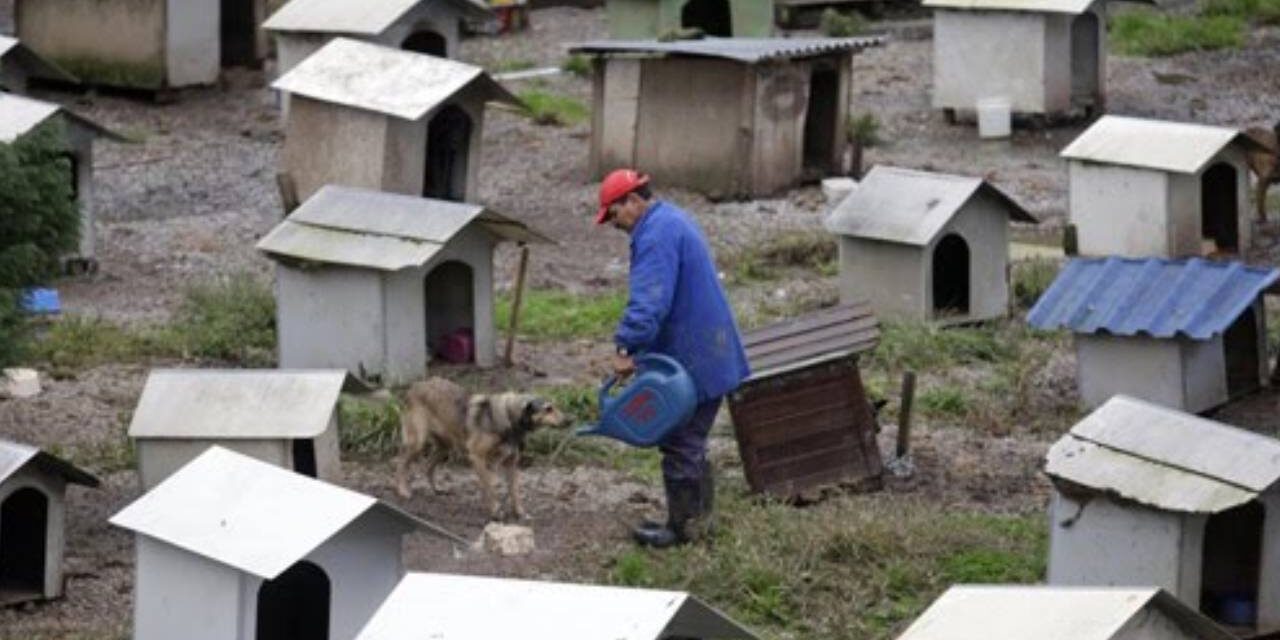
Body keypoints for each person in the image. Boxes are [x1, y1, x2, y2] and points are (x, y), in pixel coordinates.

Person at [595, 168, 750, 548]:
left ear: (633, 200)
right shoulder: (670, 219)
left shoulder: (656, 235)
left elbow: (650, 299)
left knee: (681, 441)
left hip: (694, 356)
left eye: (614, 214)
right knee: (691, 441)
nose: (615, 224)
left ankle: (683, 532)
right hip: (707, 350)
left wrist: (626, 347)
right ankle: (700, 523)